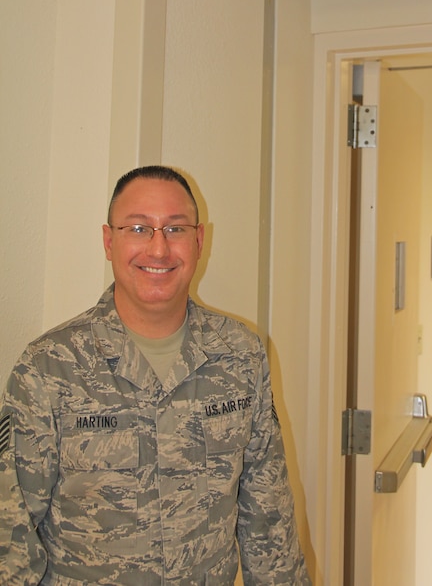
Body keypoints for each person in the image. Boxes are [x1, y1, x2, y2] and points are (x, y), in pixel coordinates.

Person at [0, 165, 310, 585]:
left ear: (199, 241)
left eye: (175, 229)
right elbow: (10, 538)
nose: (159, 249)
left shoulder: (241, 357)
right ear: (109, 242)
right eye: (138, 229)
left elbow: (270, 525)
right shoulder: (49, 368)